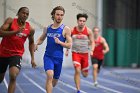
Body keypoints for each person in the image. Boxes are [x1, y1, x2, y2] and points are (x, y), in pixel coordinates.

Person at [34, 6, 72, 93]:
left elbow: (69, 45)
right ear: (53, 15)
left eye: (62, 15)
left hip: (58, 58)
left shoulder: (66, 29)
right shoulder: (47, 28)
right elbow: (41, 39)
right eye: (58, 14)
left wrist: (60, 43)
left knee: (53, 82)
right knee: (50, 75)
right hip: (48, 57)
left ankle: (49, 87)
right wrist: (36, 43)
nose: (59, 17)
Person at [0, 7, 36, 93]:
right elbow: (0, 33)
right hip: (3, 53)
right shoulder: (10, 21)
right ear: (18, 13)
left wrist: (33, 58)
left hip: (16, 54)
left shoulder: (30, 29)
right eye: (23, 13)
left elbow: (31, 43)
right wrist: (15, 32)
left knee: (13, 75)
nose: (25, 15)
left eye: (27, 14)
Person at [66, 13, 94, 93]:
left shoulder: (88, 31)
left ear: (85, 22)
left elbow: (92, 42)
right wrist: (67, 49)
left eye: (83, 21)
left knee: (85, 75)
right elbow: (67, 39)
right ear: (77, 21)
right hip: (76, 53)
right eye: (80, 20)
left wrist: (91, 50)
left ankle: (82, 70)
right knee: (77, 70)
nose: (82, 22)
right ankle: (78, 90)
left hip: (85, 54)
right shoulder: (72, 30)